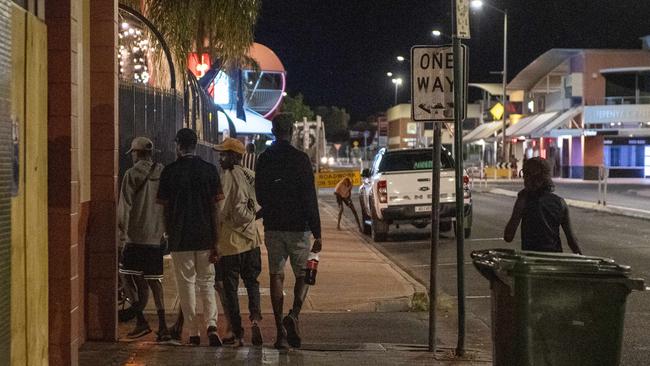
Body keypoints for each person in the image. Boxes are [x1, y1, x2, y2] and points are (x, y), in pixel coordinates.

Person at [256, 113, 322, 349]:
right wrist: (318, 232)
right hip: (298, 226)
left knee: (276, 275)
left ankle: (279, 334)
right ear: (292, 131)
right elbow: (309, 197)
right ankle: (293, 314)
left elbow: (260, 195)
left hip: (273, 225)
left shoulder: (263, 159)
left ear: (273, 131)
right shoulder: (301, 159)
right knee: (304, 274)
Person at [157, 128, 223, 347]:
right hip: (205, 236)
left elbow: (164, 209)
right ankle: (212, 325)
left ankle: (193, 331)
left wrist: (168, 233)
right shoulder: (210, 171)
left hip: (180, 237)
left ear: (178, 146)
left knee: (186, 285)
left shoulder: (169, 172)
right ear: (196, 145)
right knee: (207, 282)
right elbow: (215, 209)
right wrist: (216, 241)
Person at [117, 136, 170, 341]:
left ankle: (140, 319)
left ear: (137, 153)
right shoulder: (163, 173)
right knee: (155, 281)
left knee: (126, 274)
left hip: (135, 237)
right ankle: (163, 325)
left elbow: (125, 207)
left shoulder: (131, 174)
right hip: (156, 237)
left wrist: (122, 235)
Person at [213, 138, 264, 347]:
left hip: (230, 243)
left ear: (234, 156)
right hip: (252, 240)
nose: (220, 157)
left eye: (224, 154)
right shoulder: (251, 176)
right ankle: (255, 319)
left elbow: (220, 209)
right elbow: (259, 207)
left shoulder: (226, 176)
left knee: (230, 289)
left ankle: (238, 332)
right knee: (252, 283)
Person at [504, 157, 582, 254]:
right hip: (555, 259)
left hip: (531, 261)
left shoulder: (523, 200)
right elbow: (572, 240)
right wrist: (583, 259)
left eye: (525, 174)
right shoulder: (560, 203)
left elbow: (508, 236)